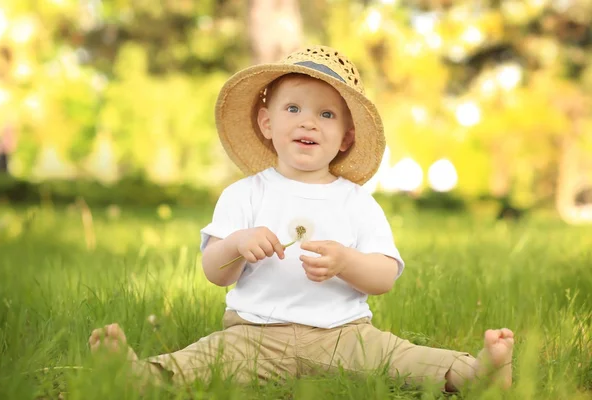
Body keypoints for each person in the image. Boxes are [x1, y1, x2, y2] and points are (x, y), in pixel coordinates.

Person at [89, 45, 514, 392]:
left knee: (398, 356)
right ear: (266, 122)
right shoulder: (244, 194)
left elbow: (384, 277)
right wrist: (236, 245)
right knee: (203, 360)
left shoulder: (355, 202)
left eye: (326, 114)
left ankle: (475, 372)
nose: (308, 121)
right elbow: (214, 272)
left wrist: (346, 262)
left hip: (343, 335)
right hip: (253, 334)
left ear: (346, 138)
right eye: (293, 108)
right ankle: (139, 376)